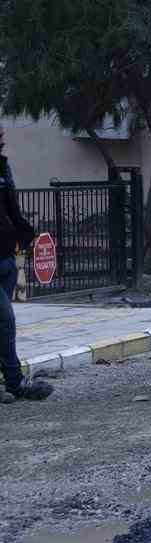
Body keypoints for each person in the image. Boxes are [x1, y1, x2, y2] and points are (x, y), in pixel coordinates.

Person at [0, 127, 51, 405]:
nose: (3, 137)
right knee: (5, 319)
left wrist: (23, 236)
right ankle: (16, 382)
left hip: (5, 258)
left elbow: (12, 209)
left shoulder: (3, 167)